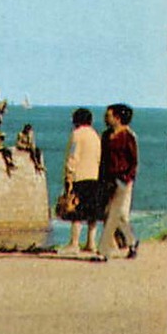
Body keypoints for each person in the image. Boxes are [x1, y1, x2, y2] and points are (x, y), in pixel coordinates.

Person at [59, 108, 105, 255]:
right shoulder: (95, 135)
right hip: (94, 176)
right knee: (92, 212)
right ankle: (91, 242)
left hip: (80, 176)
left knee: (76, 211)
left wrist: (68, 176)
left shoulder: (77, 135)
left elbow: (73, 156)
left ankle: (74, 243)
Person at [97, 103, 139, 262]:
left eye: (108, 116)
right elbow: (103, 159)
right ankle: (132, 241)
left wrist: (127, 178)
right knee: (110, 213)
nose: (105, 118)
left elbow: (133, 160)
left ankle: (103, 251)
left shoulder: (128, 137)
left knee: (113, 214)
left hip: (121, 180)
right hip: (107, 178)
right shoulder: (106, 135)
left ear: (117, 118)